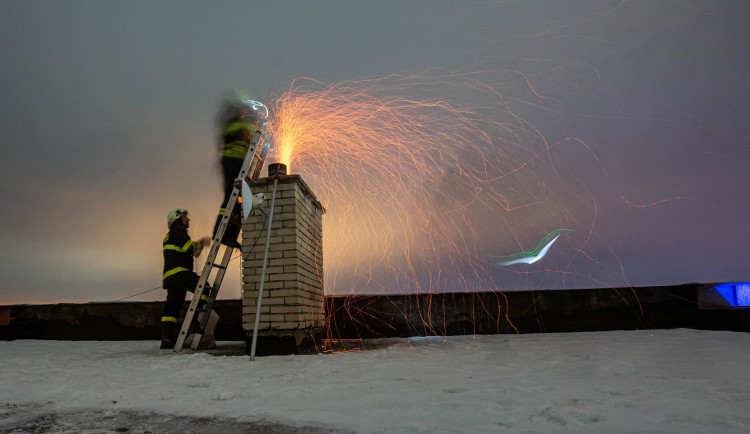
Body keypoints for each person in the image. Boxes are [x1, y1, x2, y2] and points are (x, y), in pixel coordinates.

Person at [212, 91, 264, 248]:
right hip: (231, 162)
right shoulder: (232, 123)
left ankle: (230, 235)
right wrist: (253, 126)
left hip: (239, 163)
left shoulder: (239, 124)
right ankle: (219, 233)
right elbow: (239, 133)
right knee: (231, 196)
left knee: (240, 200)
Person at [161, 208, 211, 349]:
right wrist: (202, 242)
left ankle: (167, 339)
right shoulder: (179, 231)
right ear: (177, 219)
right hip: (180, 273)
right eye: (184, 217)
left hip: (171, 277)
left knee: (173, 308)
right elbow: (190, 249)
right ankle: (194, 322)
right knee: (204, 288)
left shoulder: (170, 234)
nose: (188, 219)